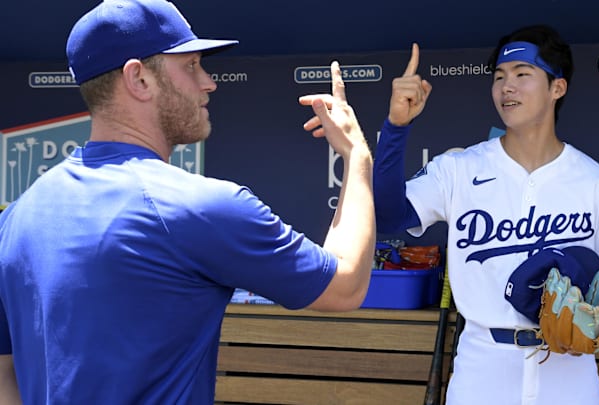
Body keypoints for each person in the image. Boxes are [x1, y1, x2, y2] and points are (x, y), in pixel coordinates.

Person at [0, 0, 375, 403]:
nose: (208, 82)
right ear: (138, 79)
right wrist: (357, 158)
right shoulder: (196, 207)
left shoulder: (18, 216)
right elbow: (346, 285)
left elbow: (5, 374)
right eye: (191, 66)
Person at [373, 25, 599, 404]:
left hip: (568, 372)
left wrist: (595, 314)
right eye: (499, 77)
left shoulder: (596, 180)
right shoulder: (458, 169)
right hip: (483, 369)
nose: (506, 87)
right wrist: (396, 127)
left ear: (557, 88)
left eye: (522, 74)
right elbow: (387, 218)